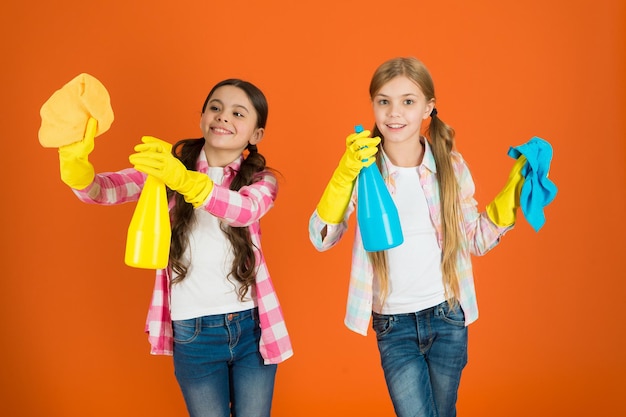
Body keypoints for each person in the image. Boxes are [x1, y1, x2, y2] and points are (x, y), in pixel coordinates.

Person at [58, 78, 293, 417]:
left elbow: (245, 211)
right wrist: (76, 169)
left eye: (238, 113)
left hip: (251, 326)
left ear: (256, 135)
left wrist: (184, 181)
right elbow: (104, 190)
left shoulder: (261, 180)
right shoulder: (166, 170)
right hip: (192, 331)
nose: (223, 117)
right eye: (215, 107)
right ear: (201, 118)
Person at [308, 57, 525, 417]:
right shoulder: (361, 169)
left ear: (429, 106)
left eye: (408, 101)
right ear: (373, 105)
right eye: (384, 101)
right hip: (394, 323)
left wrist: (511, 196)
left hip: (448, 315)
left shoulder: (449, 165)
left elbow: (475, 239)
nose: (395, 113)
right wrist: (343, 176)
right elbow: (321, 238)